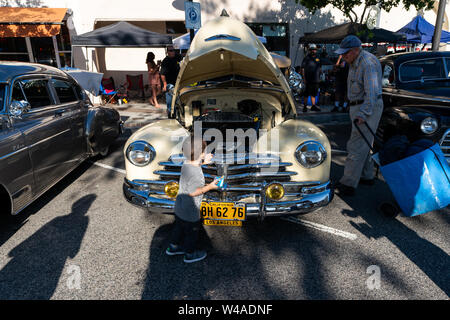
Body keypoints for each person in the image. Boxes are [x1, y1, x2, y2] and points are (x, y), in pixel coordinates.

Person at [334, 35, 384, 197]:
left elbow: (372, 93)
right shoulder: (355, 61)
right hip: (359, 105)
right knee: (364, 143)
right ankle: (366, 176)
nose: (343, 56)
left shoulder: (367, 63)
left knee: (355, 145)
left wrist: (363, 113)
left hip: (366, 106)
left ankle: (347, 184)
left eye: (346, 53)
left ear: (356, 50)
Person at [165, 134, 219, 263]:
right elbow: (194, 192)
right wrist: (210, 186)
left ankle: (173, 247)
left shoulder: (186, 163)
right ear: (201, 153)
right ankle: (190, 254)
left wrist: (204, 161)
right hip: (191, 212)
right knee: (191, 233)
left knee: (178, 228)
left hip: (179, 207)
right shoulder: (197, 175)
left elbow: (195, 162)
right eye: (205, 151)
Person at [160, 46, 182, 118]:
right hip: (169, 84)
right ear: (167, 52)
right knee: (170, 102)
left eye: (174, 50)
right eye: (171, 50)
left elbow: (185, 56)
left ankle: (178, 115)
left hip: (178, 83)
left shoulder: (177, 57)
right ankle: (171, 116)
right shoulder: (165, 61)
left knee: (178, 101)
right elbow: (162, 74)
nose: (173, 52)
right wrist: (165, 84)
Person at [301, 44, 322, 112]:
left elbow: (320, 67)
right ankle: (305, 106)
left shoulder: (318, 58)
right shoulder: (306, 58)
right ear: (310, 51)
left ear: (316, 50)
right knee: (306, 93)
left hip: (316, 79)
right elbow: (303, 68)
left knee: (314, 93)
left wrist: (320, 75)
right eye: (312, 50)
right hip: (308, 79)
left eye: (314, 49)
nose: (313, 51)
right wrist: (304, 78)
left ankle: (313, 106)